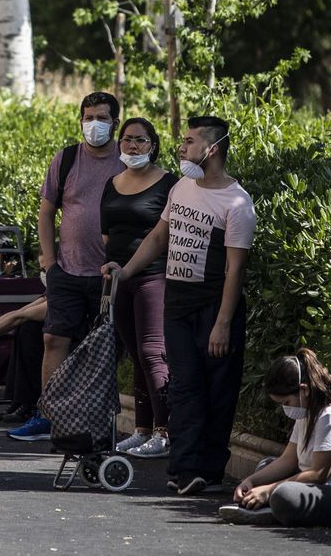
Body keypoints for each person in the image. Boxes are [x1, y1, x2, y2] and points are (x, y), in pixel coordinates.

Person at [103, 115, 256, 495]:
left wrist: (223, 323)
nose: (182, 147)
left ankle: (209, 470)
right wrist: (125, 271)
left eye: (189, 141)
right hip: (178, 304)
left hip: (215, 307)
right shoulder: (183, 188)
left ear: (212, 148)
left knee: (217, 390)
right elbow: (158, 237)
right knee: (184, 387)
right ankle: (184, 469)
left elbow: (235, 270)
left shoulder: (237, 203)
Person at [10, 92, 125, 442]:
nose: (95, 125)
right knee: (53, 338)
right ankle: (48, 415)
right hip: (68, 271)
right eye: (88, 118)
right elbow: (46, 212)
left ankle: (97, 422)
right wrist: (49, 261)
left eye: (102, 118)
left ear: (115, 123)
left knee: (104, 348)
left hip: (109, 276)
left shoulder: (127, 159)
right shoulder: (67, 159)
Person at [220, 349, 331, 526]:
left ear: (303, 390)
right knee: (266, 466)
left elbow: (319, 474)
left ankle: (275, 508)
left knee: (283, 494)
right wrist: (250, 481)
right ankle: (274, 508)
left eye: (286, 403)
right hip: (326, 488)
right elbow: (288, 460)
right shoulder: (306, 413)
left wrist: (270, 490)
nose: (285, 409)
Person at [101, 117, 178, 458]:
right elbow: (107, 234)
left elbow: (165, 235)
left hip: (154, 276)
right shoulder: (112, 182)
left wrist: (135, 265)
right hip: (118, 279)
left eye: (141, 140)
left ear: (153, 145)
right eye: (128, 139)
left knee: (152, 352)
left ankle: (165, 432)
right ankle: (142, 429)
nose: (133, 145)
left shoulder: (168, 184)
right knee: (134, 354)